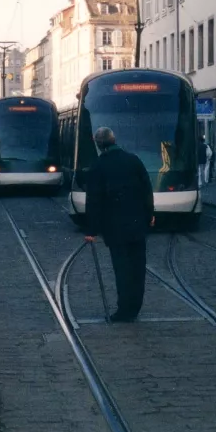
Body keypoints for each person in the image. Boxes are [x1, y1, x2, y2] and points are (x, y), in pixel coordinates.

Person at [85, 127, 155, 323]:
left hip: (115, 227)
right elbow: (146, 189)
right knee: (138, 267)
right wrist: (150, 214)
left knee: (122, 268)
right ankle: (135, 307)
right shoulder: (133, 160)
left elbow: (94, 200)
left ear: (98, 144)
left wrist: (91, 230)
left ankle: (124, 309)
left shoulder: (98, 165)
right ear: (114, 140)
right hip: (138, 224)